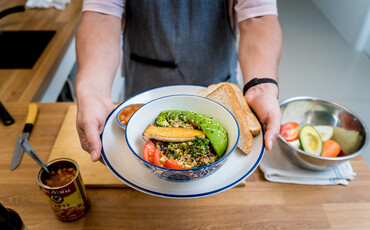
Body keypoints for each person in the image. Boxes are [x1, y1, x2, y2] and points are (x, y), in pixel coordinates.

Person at [75, 0, 282, 162]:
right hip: (143, 88)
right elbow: (101, 14)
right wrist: (93, 93)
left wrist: (261, 87)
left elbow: (258, 16)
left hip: (217, 80)